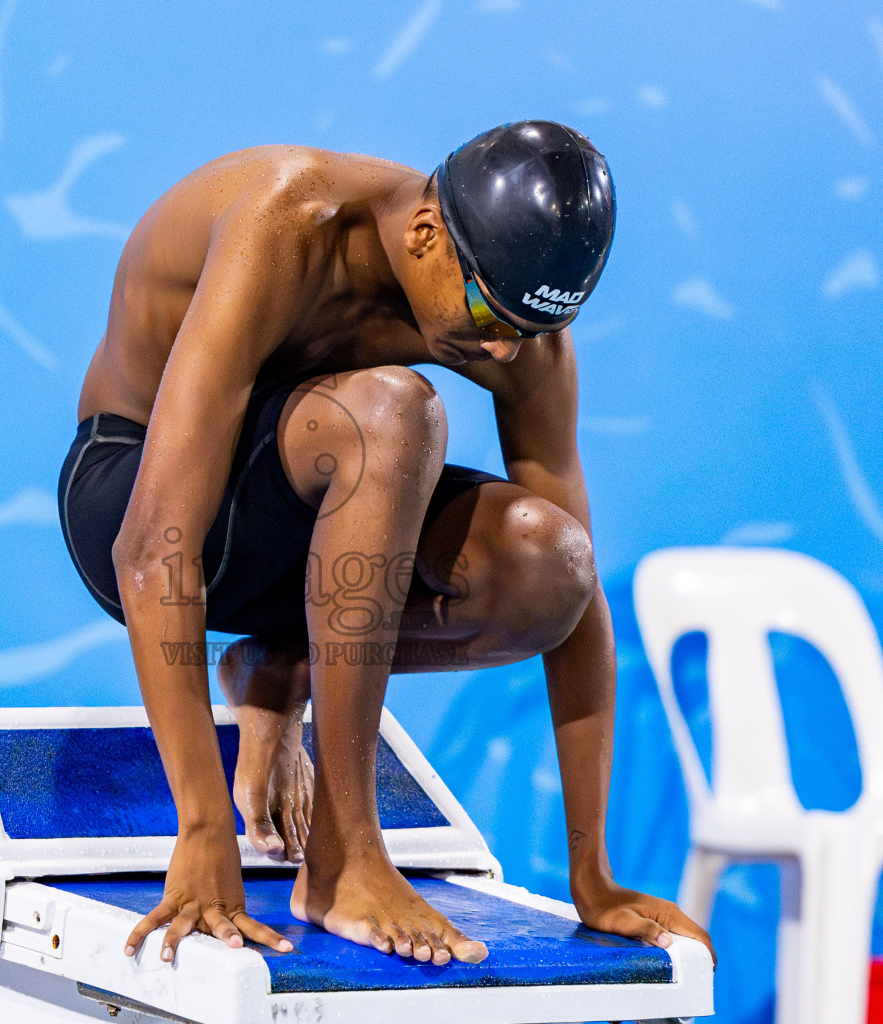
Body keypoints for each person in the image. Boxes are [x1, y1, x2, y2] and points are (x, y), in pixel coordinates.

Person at [58, 121, 715, 967]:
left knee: (552, 563)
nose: (499, 349)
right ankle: (346, 854)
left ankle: (279, 667)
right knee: (395, 413)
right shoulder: (287, 221)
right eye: (487, 313)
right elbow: (152, 546)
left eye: (524, 330)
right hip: (132, 496)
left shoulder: (515, 327)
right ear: (424, 232)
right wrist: (202, 824)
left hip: (301, 527)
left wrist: (594, 874)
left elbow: (578, 608)